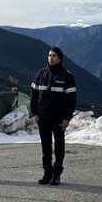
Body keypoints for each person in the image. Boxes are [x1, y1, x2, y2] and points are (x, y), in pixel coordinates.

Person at [31, 46, 77, 186]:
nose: (51, 58)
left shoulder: (67, 76)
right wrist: (35, 113)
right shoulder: (41, 74)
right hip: (43, 117)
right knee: (45, 147)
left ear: (60, 58)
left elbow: (71, 100)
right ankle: (47, 173)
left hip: (58, 118)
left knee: (59, 147)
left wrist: (67, 118)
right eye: (50, 55)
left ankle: (56, 174)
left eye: (54, 56)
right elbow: (34, 95)